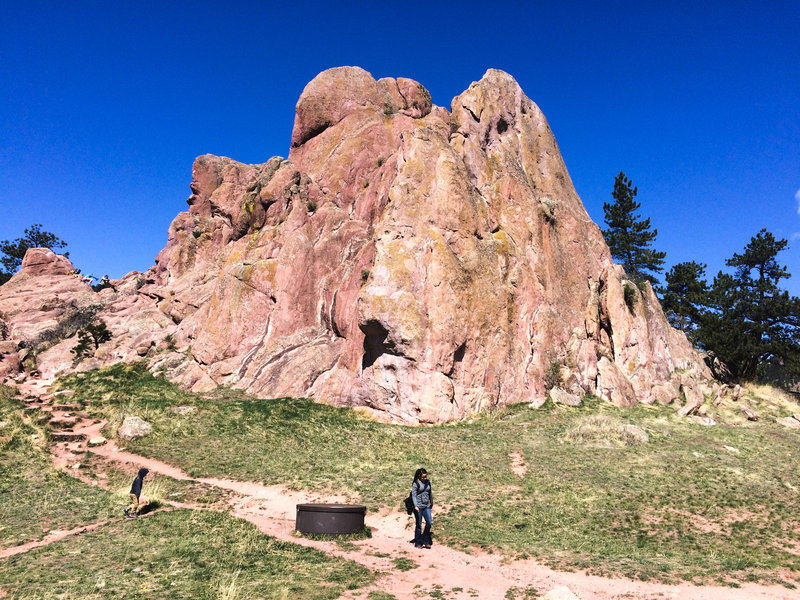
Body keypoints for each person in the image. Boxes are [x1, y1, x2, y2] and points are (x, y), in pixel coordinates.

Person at [411, 467, 433, 548]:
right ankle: (418, 542)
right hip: (419, 507)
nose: (425, 478)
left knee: (429, 522)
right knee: (419, 525)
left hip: (426, 505)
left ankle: (425, 539)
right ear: (419, 476)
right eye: (423, 477)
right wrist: (416, 505)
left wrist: (431, 502)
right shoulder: (415, 484)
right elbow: (413, 495)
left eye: (425, 476)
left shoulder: (428, 482)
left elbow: (430, 492)